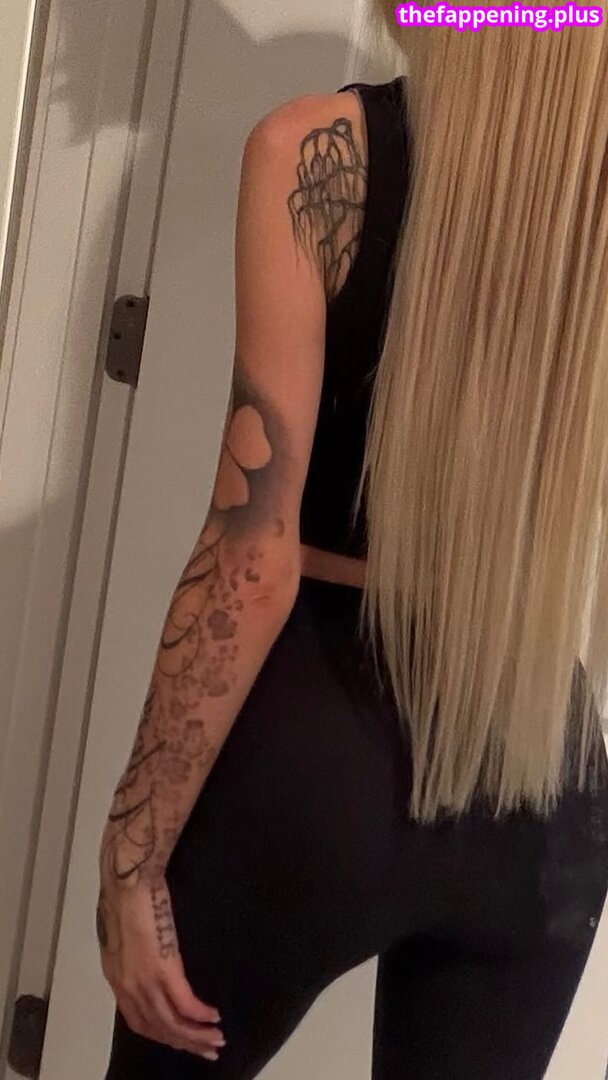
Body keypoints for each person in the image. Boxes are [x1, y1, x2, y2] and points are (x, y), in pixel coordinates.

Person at [98, 2, 608, 1077]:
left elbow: (250, 550)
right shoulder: (584, 185)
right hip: (542, 777)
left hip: (318, 742)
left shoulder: (313, 154)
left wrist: (132, 855)